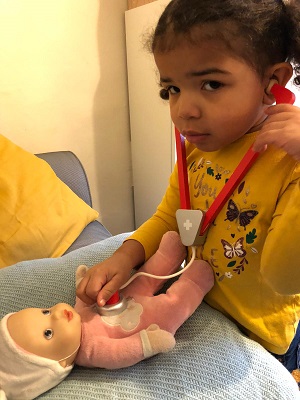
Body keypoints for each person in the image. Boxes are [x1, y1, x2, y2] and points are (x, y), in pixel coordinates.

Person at [77, 0, 300, 378]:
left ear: (272, 83)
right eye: (172, 89)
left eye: (211, 84)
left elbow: (285, 278)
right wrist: (123, 257)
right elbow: (170, 217)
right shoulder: (197, 149)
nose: (184, 110)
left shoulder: (286, 162)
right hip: (197, 303)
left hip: (256, 334)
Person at [0, 232, 213, 399]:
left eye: (45, 312)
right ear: (59, 365)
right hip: (146, 321)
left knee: (143, 278)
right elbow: (119, 352)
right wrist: (147, 343)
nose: (57, 314)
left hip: (126, 296)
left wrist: (84, 282)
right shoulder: (91, 351)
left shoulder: (77, 318)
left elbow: (83, 301)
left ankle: (168, 256)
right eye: (48, 333)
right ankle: (195, 283)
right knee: (171, 306)